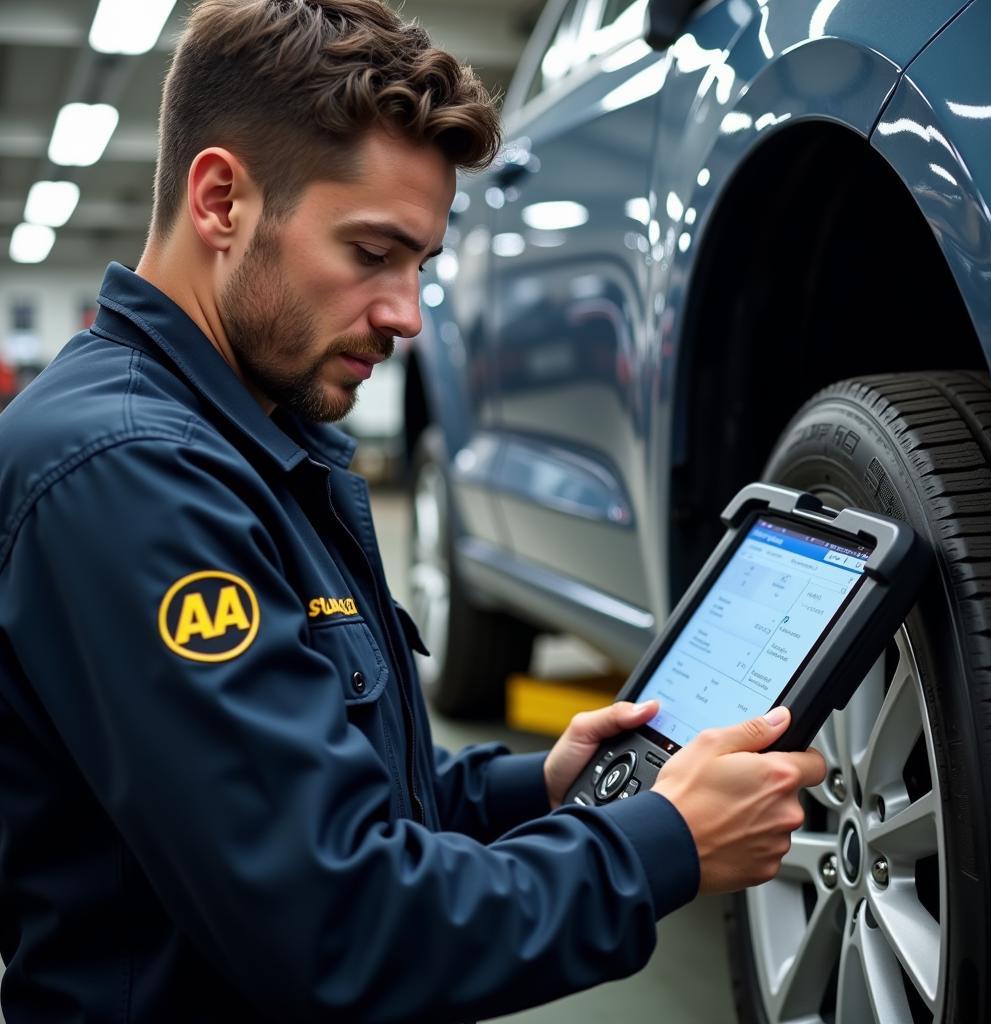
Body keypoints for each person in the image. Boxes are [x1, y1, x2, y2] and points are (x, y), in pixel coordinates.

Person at [0, 1, 825, 1020]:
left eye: (421, 265)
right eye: (371, 252)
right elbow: (337, 926)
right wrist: (660, 844)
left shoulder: (250, 445)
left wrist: (543, 788)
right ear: (220, 200)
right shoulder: (129, 477)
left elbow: (330, 785)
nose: (406, 314)